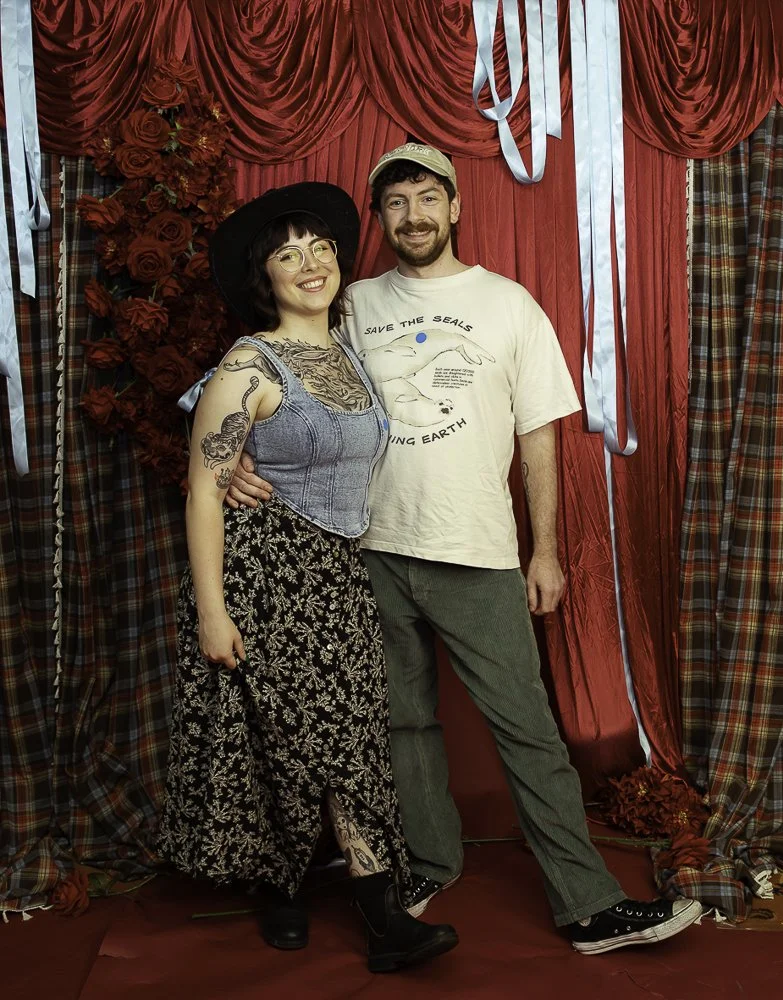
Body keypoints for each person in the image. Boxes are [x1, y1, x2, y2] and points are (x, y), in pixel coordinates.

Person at [226, 147, 703, 955]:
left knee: (527, 728)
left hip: (476, 548)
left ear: (454, 207)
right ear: (378, 220)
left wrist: (543, 550)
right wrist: (230, 447)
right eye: (396, 204)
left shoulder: (510, 305)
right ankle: (425, 863)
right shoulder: (350, 302)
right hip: (366, 549)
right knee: (401, 725)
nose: (412, 216)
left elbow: (541, 433)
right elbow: (275, 362)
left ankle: (585, 903)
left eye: (426, 198)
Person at [157, 181, 459, 974]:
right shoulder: (246, 363)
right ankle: (315, 897)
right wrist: (213, 614)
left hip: (338, 576)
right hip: (263, 574)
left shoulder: (349, 351)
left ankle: (354, 899)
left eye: (319, 246)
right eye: (287, 254)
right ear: (268, 279)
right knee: (283, 742)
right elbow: (201, 487)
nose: (309, 262)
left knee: (351, 738)